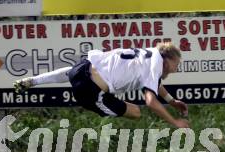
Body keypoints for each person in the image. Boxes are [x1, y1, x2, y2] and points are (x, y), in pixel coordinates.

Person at [14, 42, 189, 128]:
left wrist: (172, 101)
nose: (176, 69)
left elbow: (155, 83)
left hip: (81, 68)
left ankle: (34, 80)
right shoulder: (156, 66)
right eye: (176, 65)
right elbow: (151, 101)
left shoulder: (151, 54)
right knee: (136, 112)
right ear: (168, 59)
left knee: (74, 73)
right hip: (91, 91)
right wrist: (174, 122)